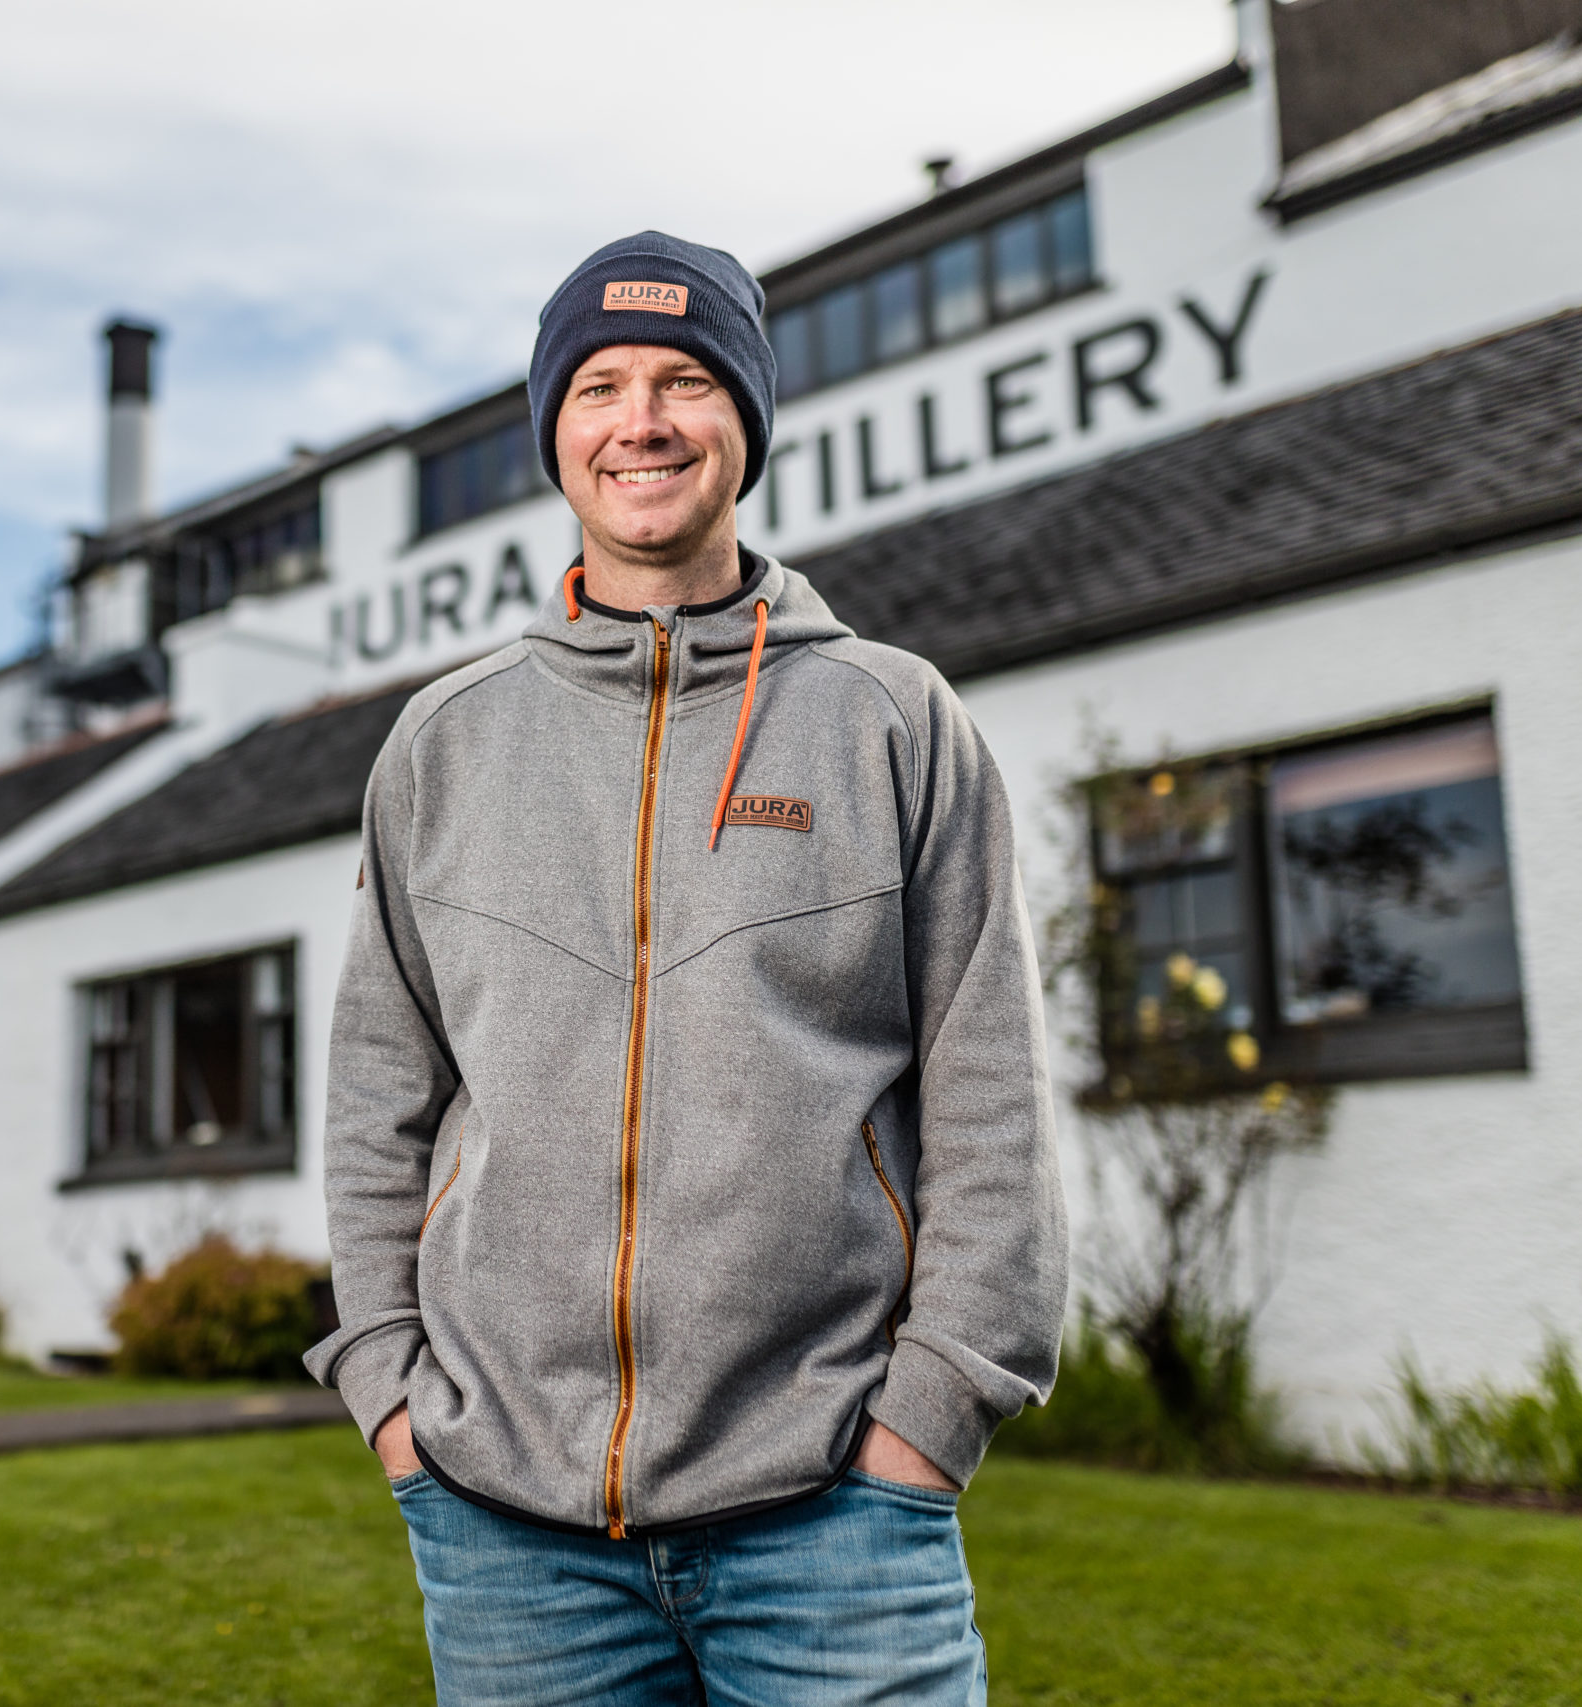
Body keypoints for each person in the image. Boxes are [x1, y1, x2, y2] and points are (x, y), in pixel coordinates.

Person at [306, 231, 1067, 1706]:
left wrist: (934, 1410)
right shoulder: (445, 743)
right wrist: (388, 1387)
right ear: (555, 433)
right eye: (598, 385)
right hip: (506, 1523)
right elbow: (376, 1091)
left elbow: (992, 1093)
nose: (640, 420)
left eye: (684, 381)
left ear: (748, 423)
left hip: (840, 1513)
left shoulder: (891, 720)